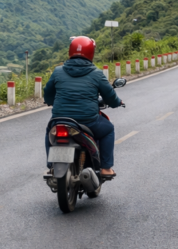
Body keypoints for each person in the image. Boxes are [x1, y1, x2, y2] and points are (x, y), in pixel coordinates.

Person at [43, 36, 123, 179]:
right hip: (88, 122)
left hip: (60, 120)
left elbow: (48, 94)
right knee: (108, 129)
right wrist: (117, 102)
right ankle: (106, 168)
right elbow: (110, 96)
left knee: (50, 130)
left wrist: (50, 101)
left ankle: (51, 166)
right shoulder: (97, 74)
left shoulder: (58, 71)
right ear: (91, 53)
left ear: (70, 51)